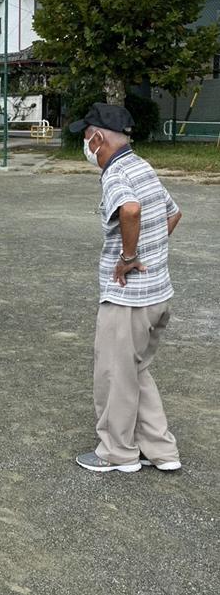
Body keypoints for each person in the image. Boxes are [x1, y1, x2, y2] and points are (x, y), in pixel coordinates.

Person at [69, 103, 182, 473]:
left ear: (98, 137)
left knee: (114, 374)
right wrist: (152, 250)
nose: (84, 144)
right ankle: (161, 450)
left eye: (85, 137)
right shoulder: (142, 166)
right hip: (158, 294)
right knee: (136, 371)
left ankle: (117, 453)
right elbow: (173, 212)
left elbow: (130, 210)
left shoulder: (116, 174)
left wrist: (130, 256)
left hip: (128, 299)